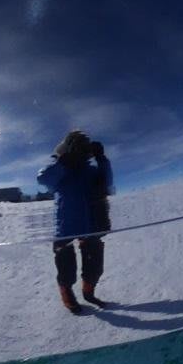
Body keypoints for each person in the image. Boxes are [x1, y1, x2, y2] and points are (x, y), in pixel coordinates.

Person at [35, 128, 113, 314]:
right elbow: (43, 179)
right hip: (66, 227)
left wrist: (101, 158)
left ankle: (88, 292)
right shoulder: (59, 169)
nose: (81, 151)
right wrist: (64, 162)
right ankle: (67, 293)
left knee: (94, 265)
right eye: (77, 146)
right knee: (66, 267)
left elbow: (107, 182)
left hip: (92, 225)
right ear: (67, 148)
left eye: (83, 147)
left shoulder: (91, 171)